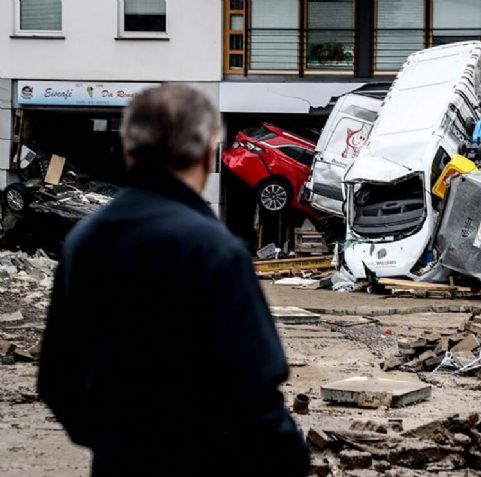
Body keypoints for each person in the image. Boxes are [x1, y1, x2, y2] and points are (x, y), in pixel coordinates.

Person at [37, 85, 310, 476]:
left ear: (129, 151)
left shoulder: (84, 242)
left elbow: (57, 380)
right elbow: (255, 395)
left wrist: (113, 439)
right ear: (206, 153)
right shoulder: (216, 250)